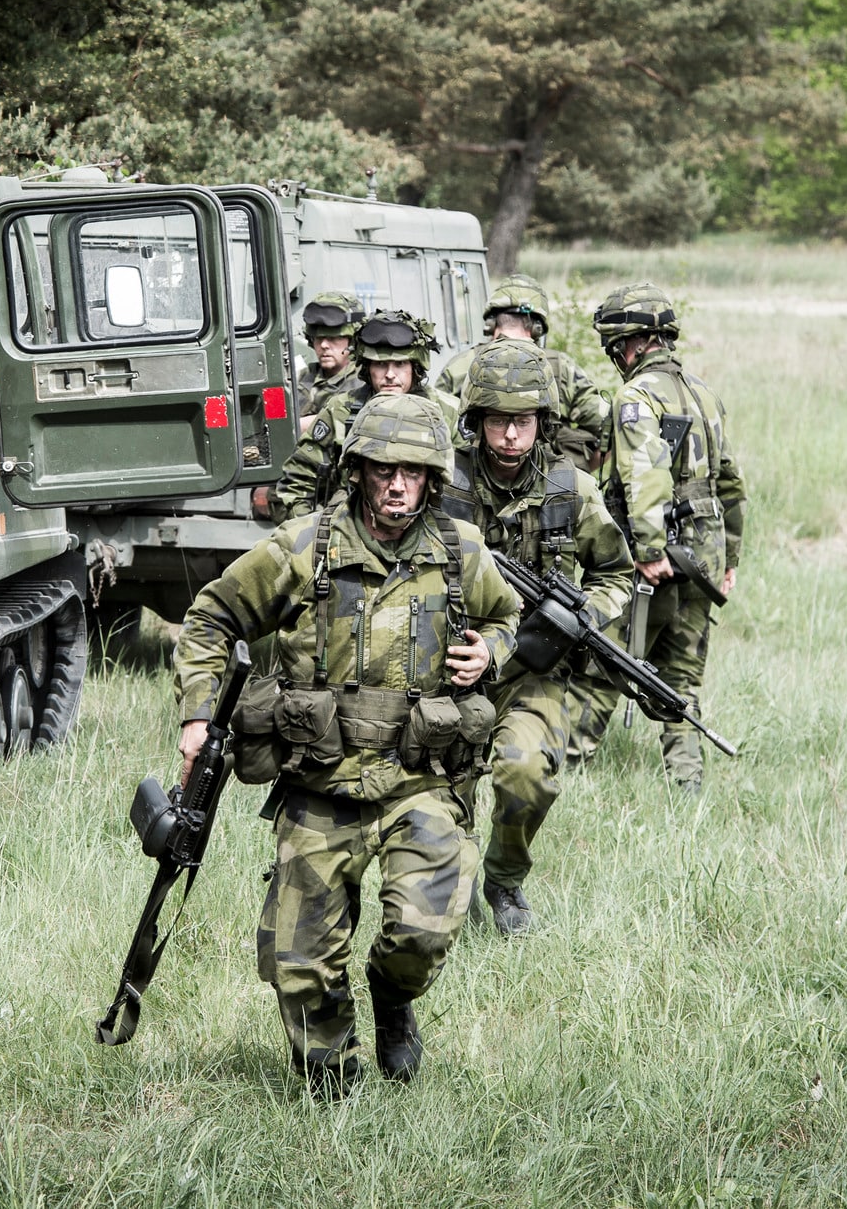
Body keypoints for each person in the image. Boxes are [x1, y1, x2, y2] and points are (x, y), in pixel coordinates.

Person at [172, 393, 520, 1093]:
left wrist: (493, 653)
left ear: (432, 477)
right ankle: (333, 1081)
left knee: (421, 935)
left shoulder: (461, 551)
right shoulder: (303, 547)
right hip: (319, 784)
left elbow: (508, 614)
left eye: (413, 472)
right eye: (383, 469)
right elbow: (212, 615)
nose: (397, 485)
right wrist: (197, 715)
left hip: (421, 779)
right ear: (358, 470)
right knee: (298, 965)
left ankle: (393, 999)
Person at [442, 342, 632, 934]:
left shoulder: (570, 489)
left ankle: (503, 880)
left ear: (541, 423)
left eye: (522, 421)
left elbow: (616, 573)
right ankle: (447, 884)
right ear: (477, 422)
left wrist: (585, 616)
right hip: (444, 665)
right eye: (497, 420)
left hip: (531, 672)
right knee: (443, 795)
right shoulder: (441, 480)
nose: (509, 435)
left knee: (526, 773)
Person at [564, 283, 745, 791]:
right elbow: (731, 483)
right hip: (702, 557)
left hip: (657, 557)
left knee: (603, 661)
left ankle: (566, 777)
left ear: (631, 344)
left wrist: (647, 551)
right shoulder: (706, 393)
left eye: (614, 345)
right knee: (682, 678)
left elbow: (645, 478)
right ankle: (687, 790)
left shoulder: (635, 397)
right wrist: (730, 558)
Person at [268, 310, 459, 522]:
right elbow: (298, 479)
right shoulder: (342, 410)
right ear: (367, 368)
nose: (389, 374)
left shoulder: (446, 411)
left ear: (415, 367)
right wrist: (315, 532)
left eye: (400, 364)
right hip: (352, 530)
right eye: (380, 364)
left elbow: (465, 487)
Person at [433, 274, 610, 468]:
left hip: (471, 485)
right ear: (537, 328)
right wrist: (576, 473)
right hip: (552, 489)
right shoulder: (560, 367)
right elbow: (609, 427)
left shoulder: (461, 365)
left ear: (491, 324)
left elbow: (431, 430)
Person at [294, 292, 365, 425]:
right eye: (318, 338)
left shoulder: (364, 381)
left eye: (333, 338)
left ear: (351, 342)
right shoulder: (300, 378)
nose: (324, 345)